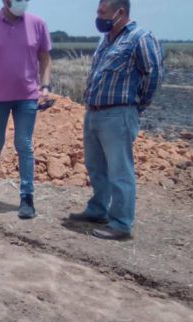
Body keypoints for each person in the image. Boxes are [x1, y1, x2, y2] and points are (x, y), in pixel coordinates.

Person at [69, 0, 164, 240]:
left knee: (120, 170)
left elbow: (153, 75)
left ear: (120, 12)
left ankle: (121, 223)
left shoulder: (140, 38)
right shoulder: (107, 40)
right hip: (94, 112)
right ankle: (98, 210)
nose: (98, 16)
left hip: (117, 114)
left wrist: (135, 107)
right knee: (95, 166)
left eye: (103, 12)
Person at [0, 0, 52, 219]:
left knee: (23, 144)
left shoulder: (38, 24)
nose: (22, 2)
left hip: (27, 97)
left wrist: (45, 86)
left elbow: (45, 58)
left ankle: (27, 197)